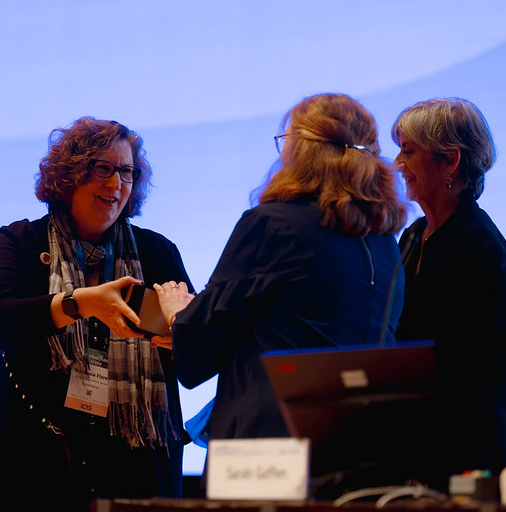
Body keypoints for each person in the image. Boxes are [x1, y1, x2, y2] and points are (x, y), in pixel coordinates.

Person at [155, 93, 407, 475]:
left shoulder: (273, 224)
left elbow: (202, 342)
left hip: (266, 454)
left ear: (300, 150)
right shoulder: (384, 241)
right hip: (354, 450)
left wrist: (178, 314)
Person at [0, 117, 193, 510]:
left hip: (138, 465)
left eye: (126, 172)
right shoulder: (22, 242)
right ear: (70, 174)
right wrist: (79, 303)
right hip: (36, 463)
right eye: (103, 168)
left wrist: (183, 334)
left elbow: (194, 360)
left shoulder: (157, 253)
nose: (116, 184)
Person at [391, 98, 506, 485]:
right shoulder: (413, 236)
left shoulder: (481, 245)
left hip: (471, 460)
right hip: (420, 453)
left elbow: (501, 359)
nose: (398, 164)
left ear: (449, 161)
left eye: (409, 151)